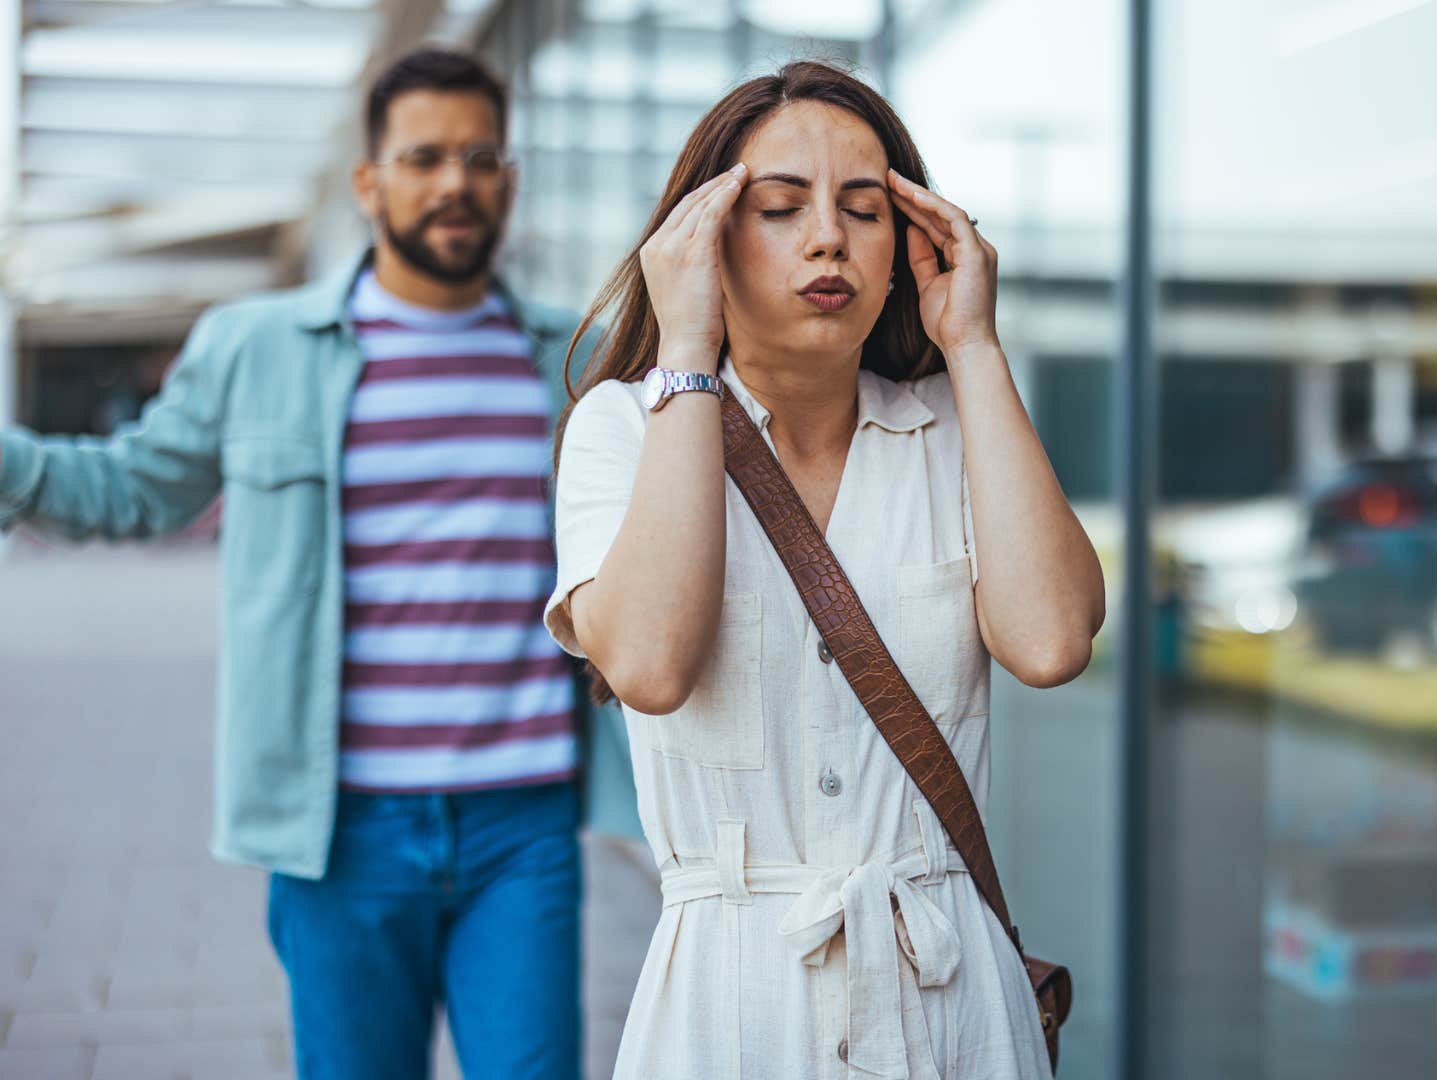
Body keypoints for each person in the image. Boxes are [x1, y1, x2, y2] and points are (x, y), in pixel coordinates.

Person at [0, 46, 641, 1080]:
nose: (455, 183)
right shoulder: (256, 350)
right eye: (424, 156)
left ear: (510, 180)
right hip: (340, 832)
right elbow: (129, 491)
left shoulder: (577, 358)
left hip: (522, 825)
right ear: (369, 182)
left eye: (481, 157)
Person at [544, 60, 1105, 1078]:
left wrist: (973, 344)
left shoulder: (952, 434)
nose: (828, 238)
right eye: (779, 207)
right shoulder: (625, 428)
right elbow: (651, 666)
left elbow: (1052, 639)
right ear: (704, 237)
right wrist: (684, 348)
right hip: (730, 1003)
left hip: (953, 1005)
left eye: (864, 208)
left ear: (908, 247)